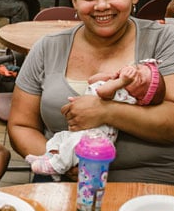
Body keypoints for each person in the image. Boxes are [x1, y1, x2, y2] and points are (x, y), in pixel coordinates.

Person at [8, 0, 174, 185]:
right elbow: (20, 125)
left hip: (152, 183)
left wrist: (106, 112)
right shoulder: (47, 48)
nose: (102, 5)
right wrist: (62, 161)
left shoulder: (165, 40)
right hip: (66, 184)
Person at [26, 60, 166, 178]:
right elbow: (92, 81)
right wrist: (111, 76)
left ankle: (57, 166)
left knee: (73, 143)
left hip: (94, 138)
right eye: (136, 68)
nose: (133, 74)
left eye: (139, 79)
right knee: (60, 137)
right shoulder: (116, 83)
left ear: (140, 98)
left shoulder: (127, 97)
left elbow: (102, 92)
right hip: (85, 130)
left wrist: (122, 80)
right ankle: (49, 157)